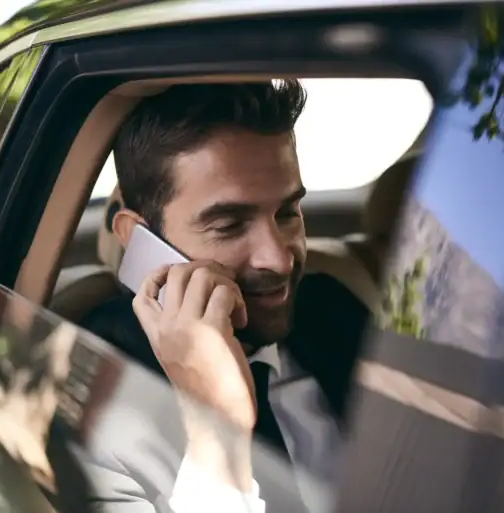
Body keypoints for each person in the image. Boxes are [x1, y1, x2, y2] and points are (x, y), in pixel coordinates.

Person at [80, 81, 369, 513]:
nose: (279, 259)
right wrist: (216, 429)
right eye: (229, 225)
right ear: (139, 240)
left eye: (288, 214)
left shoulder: (336, 312)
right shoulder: (93, 394)